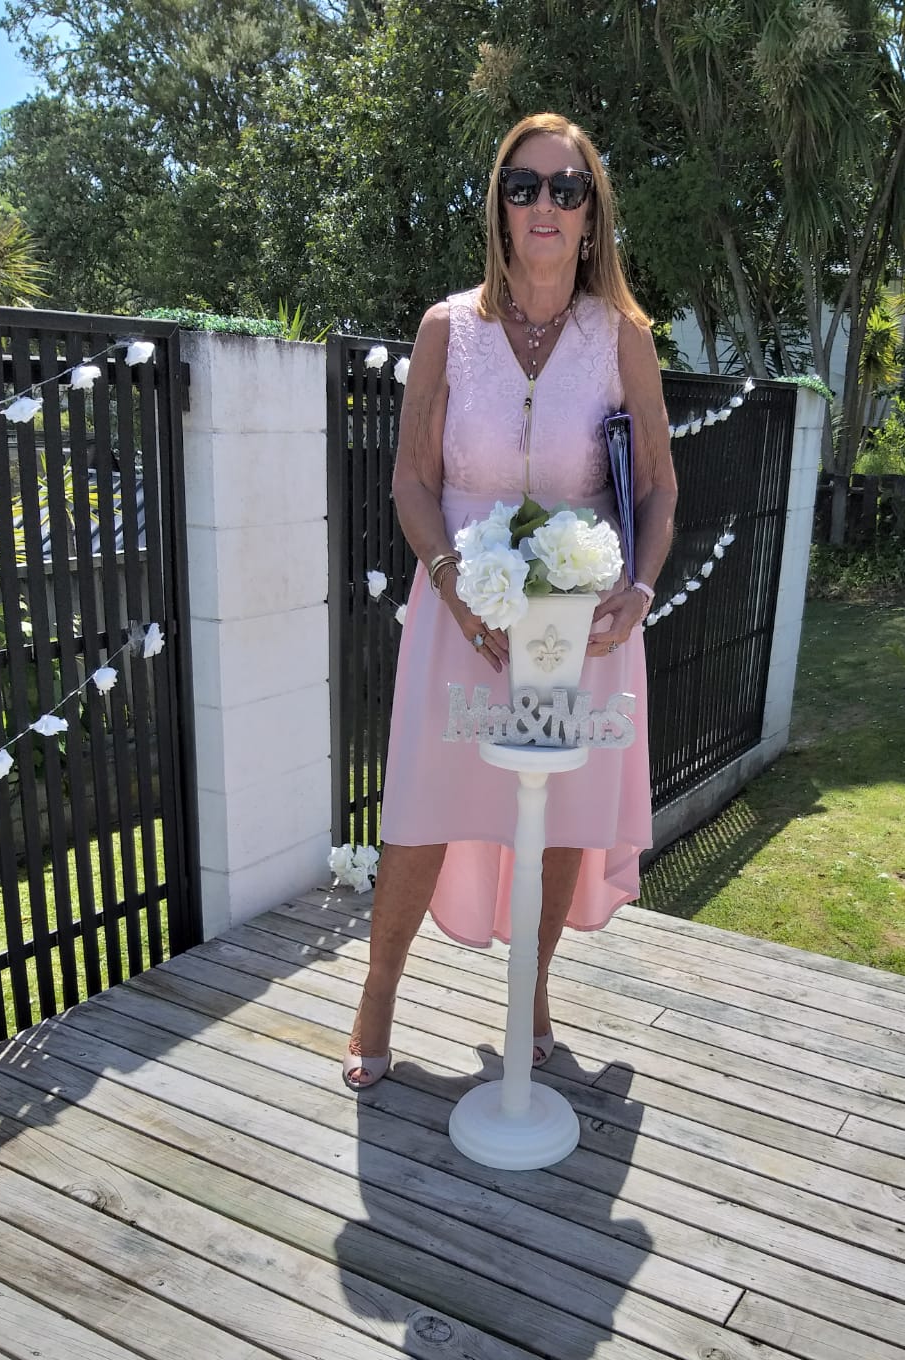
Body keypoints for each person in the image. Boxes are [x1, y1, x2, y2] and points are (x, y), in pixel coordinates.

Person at [343, 111, 677, 1089]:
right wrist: (450, 584)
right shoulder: (450, 329)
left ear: (591, 215)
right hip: (462, 619)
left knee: (562, 808)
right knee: (422, 805)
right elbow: (411, 480)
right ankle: (378, 989)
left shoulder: (624, 339)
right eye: (523, 186)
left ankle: (531, 989)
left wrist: (644, 588)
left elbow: (657, 485)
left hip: (577, 626)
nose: (544, 204)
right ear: (499, 204)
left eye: (565, 189)